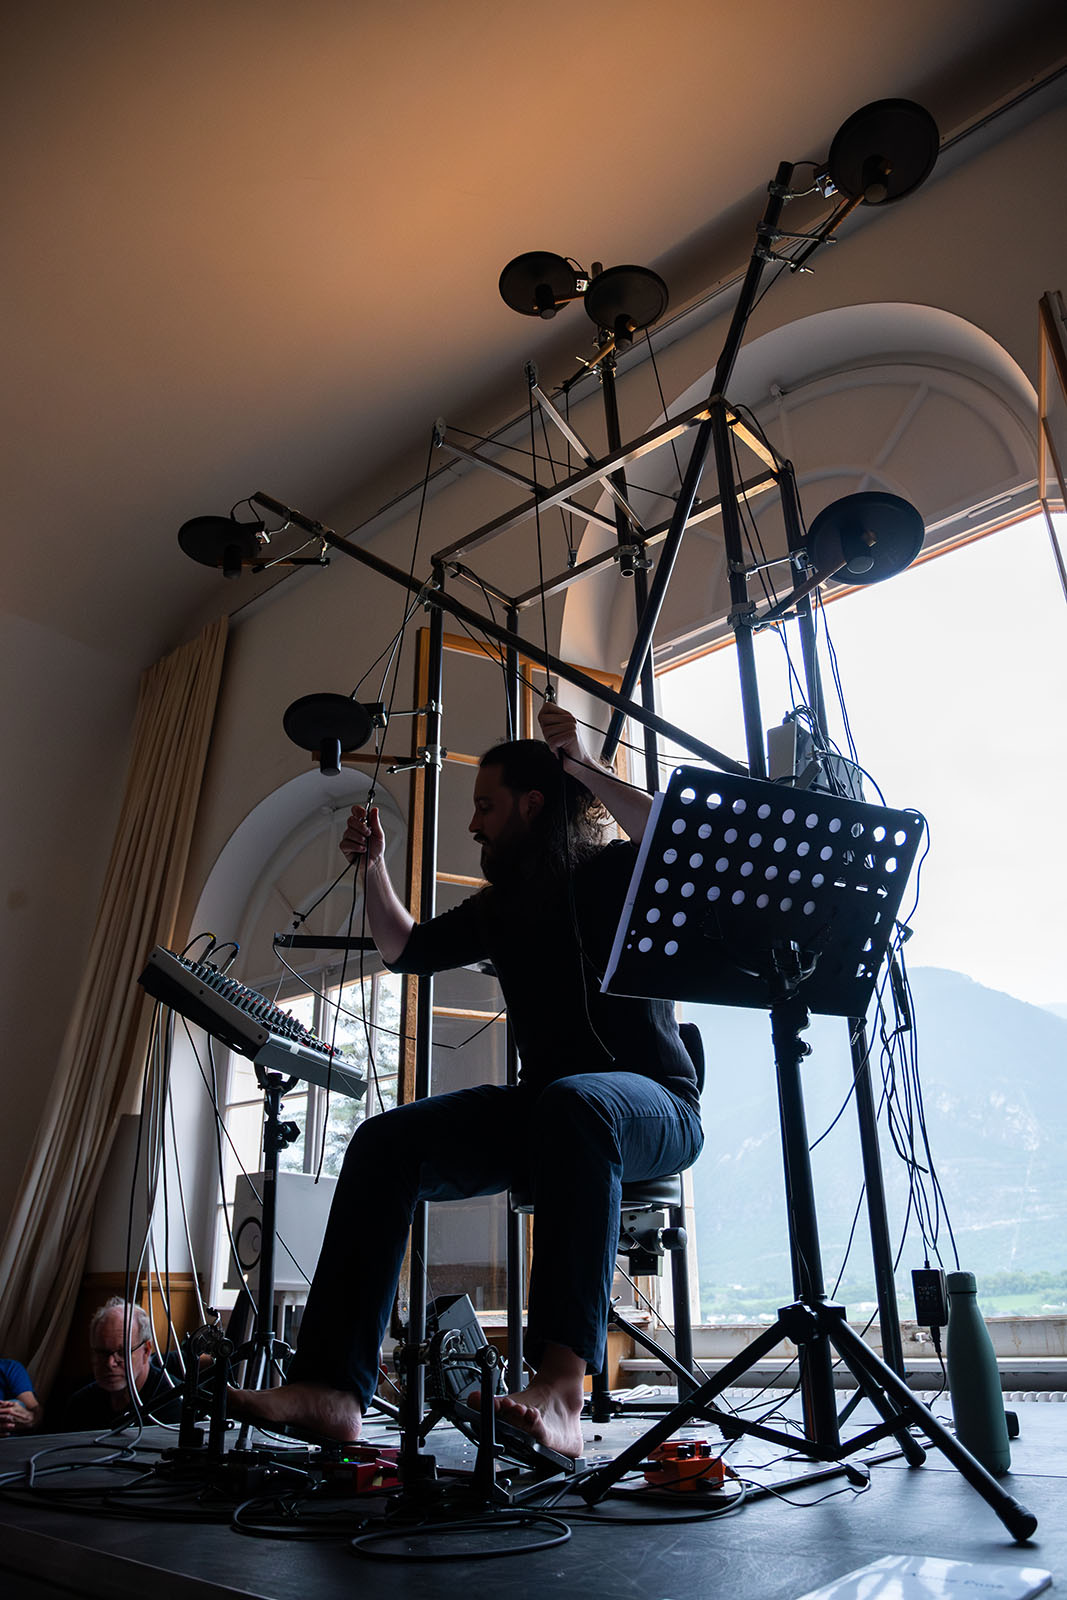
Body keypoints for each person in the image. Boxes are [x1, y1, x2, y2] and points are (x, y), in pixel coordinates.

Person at [231, 702, 703, 1456]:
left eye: (486, 805)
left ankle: (561, 1392)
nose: (474, 824)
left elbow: (671, 835)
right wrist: (372, 867)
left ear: (532, 804)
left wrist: (583, 766)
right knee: (385, 1143)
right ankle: (332, 1389)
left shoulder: (614, 871)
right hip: (549, 1110)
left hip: (655, 1107)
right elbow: (404, 948)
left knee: (574, 1104)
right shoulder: (503, 907)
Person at [59, 1298, 183, 1431]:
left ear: (146, 1351)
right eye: (102, 1352)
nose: (110, 1363)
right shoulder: (80, 1405)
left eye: (122, 1352)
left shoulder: (175, 1405)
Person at [0, 1356, 40, 1435]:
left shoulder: (10, 1367)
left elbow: (35, 1411)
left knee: (19, 1404)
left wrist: (28, 1418)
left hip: (13, 1438)